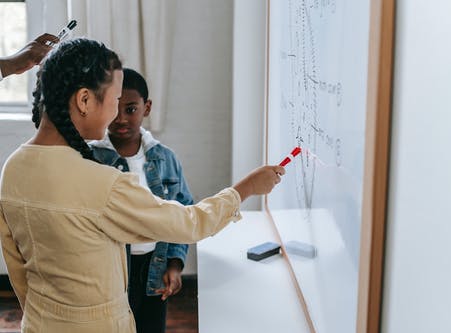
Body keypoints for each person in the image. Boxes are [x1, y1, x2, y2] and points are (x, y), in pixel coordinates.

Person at [0, 38, 284, 333]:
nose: (116, 113)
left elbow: (18, 271)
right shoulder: (103, 183)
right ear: (85, 100)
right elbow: (190, 223)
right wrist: (246, 188)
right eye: (114, 99)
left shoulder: (13, 169)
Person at [90, 68, 192, 333]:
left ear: (146, 108)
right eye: (115, 109)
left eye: (131, 109)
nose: (121, 118)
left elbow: (182, 211)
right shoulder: (91, 159)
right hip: (108, 270)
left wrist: (174, 263)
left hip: (154, 267)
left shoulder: (165, 159)